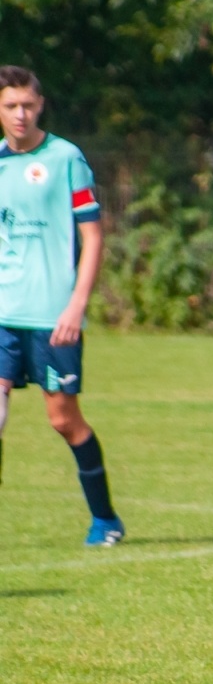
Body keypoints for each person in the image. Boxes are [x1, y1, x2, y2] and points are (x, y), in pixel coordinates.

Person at [0, 65, 124, 544]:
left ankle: (106, 519)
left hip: (53, 316)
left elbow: (92, 238)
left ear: (41, 104)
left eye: (27, 104)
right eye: (10, 105)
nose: (19, 114)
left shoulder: (66, 158)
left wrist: (76, 306)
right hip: (5, 314)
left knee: (62, 420)